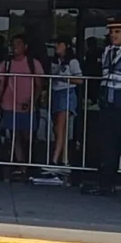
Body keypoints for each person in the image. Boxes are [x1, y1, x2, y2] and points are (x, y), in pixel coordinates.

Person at [0, 34, 45, 178]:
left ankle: (30, 162)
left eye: (18, 43)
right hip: (9, 104)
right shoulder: (5, 64)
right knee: (15, 135)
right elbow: (0, 84)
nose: (15, 46)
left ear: (25, 47)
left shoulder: (33, 63)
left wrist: (32, 102)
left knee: (27, 136)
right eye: (13, 44)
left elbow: (39, 85)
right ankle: (22, 165)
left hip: (27, 105)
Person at [35, 36, 82, 184]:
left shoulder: (73, 62)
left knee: (59, 127)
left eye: (59, 44)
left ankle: (54, 161)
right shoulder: (55, 62)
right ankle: (64, 159)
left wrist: (65, 79)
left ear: (66, 46)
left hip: (67, 93)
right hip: (55, 93)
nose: (56, 46)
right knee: (57, 129)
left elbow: (80, 79)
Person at [86, 19, 121, 196]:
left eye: (118, 32)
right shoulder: (107, 51)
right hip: (108, 105)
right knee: (108, 146)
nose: (113, 35)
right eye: (112, 31)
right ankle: (106, 183)